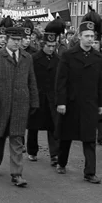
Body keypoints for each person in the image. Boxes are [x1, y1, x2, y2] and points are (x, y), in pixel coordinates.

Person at [55, 8, 102, 184]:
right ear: (80, 37)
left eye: (92, 36)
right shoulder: (68, 56)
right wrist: (61, 102)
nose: (90, 39)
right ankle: (61, 162)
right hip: (71, 103)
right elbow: (61, 81)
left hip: (89, 104)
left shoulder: (99, 58)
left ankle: (90, 172)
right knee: (66, 136)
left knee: (89, 139)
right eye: (87, 36)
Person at [0, 26, 39, 187]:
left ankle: (17, 174)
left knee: (17, 139)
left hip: (20, 106)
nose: (17, 43)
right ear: (6, 40)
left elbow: (32, 81)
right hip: (0, 105)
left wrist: (34, 101)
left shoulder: (27, 58)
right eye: (14, 40)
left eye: (19, 40)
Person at [27, 20, 62, 166]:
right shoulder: (34, 59)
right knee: (33, 126)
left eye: (54, 46)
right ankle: (32, 151)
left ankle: (54, 154)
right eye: (49, 46)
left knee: (53, 125)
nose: (51, 49)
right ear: (43, 45)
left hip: (51, 97)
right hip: (38, 96)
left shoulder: (58, 60)